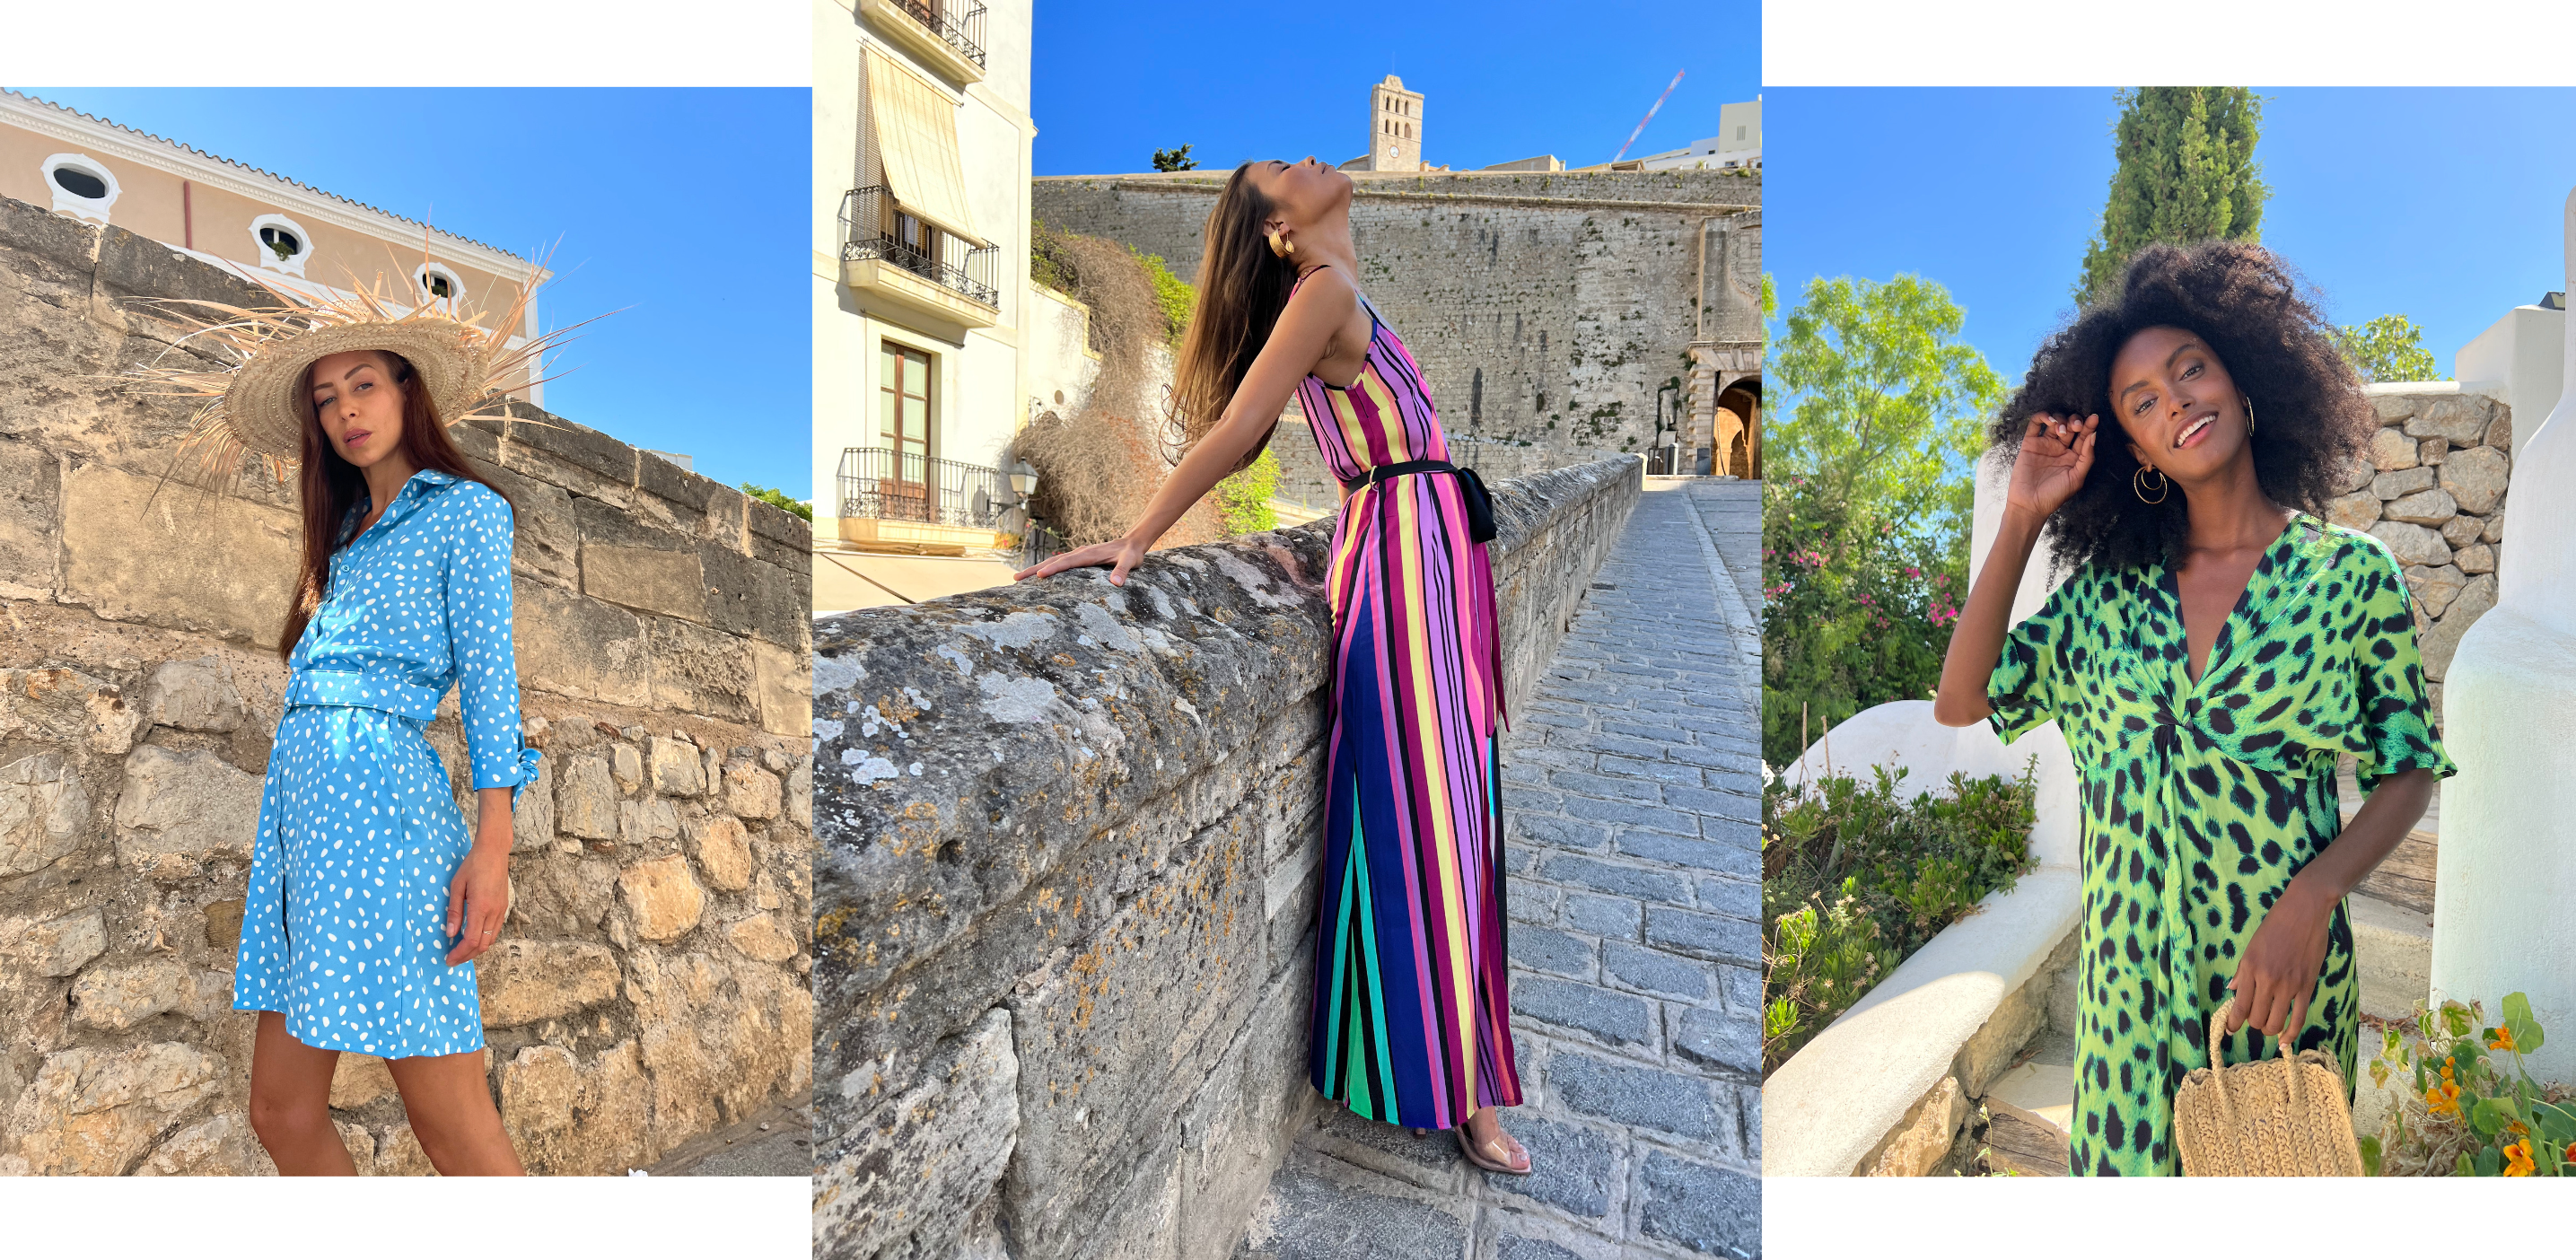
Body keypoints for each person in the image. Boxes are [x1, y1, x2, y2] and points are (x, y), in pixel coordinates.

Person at [1014, 156, 1530, 1175]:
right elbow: (1241, 431)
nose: (1305, 159)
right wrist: (1136, 538)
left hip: (1424, 556)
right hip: (1397, 557)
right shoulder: (1321, 293)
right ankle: (1461, 1095)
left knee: (1457, 806)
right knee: (1432, 809)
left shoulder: (1343, 294)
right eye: (1278, 173)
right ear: (1278, 231)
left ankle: (1460, 1070)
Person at [1931, 241, 2451, 1176]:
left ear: (2241, 382)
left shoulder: (2348, 577)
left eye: (2188, 370)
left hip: (2276, 991)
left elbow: (2406, 768)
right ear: (2131, 447)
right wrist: (2021, 517)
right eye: (2140, 401)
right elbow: (1960, 699)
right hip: (2124, 1009)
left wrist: (2313, 898)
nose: (2172, 400)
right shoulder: (2104, 599)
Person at [132, 269, 564, 1174]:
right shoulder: (337, 539)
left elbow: (491, 687)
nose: (346, 412)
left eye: (363, 384)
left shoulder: (467, 515)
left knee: (451, 1124)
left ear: (407, 387)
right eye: (326, 399)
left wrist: (493, 850)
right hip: (302, 829)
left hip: (388, 824)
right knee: (280, 1112)